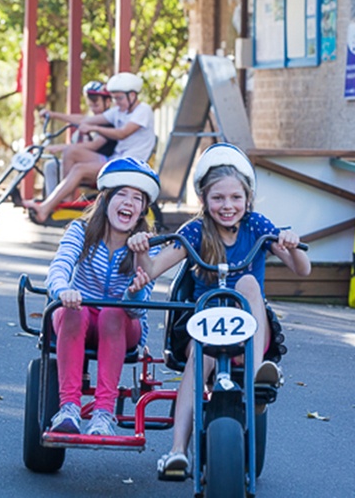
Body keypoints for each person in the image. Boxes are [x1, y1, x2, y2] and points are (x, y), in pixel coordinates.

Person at [127, 143, 311, 475]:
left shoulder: (256, 226)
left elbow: (302, 269)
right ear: (203, 199)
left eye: (236, 197)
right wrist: (141, 249)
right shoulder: (195, 231)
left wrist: (291, 243)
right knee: (201, 356)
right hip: (206, 326)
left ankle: (256, 377)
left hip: (250, 332)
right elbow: (151, 269)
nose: (228, 206)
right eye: (218, 198)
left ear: (248, 198)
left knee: (248, 284)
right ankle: (177, 451)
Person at [45, 157, 161, 436]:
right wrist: (63, 291)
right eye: (122, 194)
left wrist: (134, 291)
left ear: (142, 210)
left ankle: (103, 413)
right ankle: (69, 407)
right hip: (77, 314)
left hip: (122, 323)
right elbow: (59, 267)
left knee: (113, 311)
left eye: (137, 198)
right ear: (105, 199)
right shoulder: (81, 231)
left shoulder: (148, 245)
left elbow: (138, 308)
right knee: (74, 310)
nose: (129, 202)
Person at [23, 71, 156, 224]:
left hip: (130, 166)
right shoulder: (119, 112)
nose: (117, 102)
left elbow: (122, 133)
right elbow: (86, 120)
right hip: (115, 160)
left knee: (79, 169)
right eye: (114, 98)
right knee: (71, 151)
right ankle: (66, 202)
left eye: (119, 98)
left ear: (132, 95)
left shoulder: (143, 110)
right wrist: (54, 115)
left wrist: (94, 128)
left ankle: (45, 208)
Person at [41, 81, 117, 196]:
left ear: (107, 102)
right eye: (90, 106)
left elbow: (94, 145)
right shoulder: (94, 119)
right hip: (87, 160)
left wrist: (62, 147)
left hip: (102, 163)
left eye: (96, 105)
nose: (93, 109)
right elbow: (80, 119)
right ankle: (51, 199)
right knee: (51, 166)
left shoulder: (109, 121)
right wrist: (53, 115)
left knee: (70, 154)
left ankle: (65, 197)